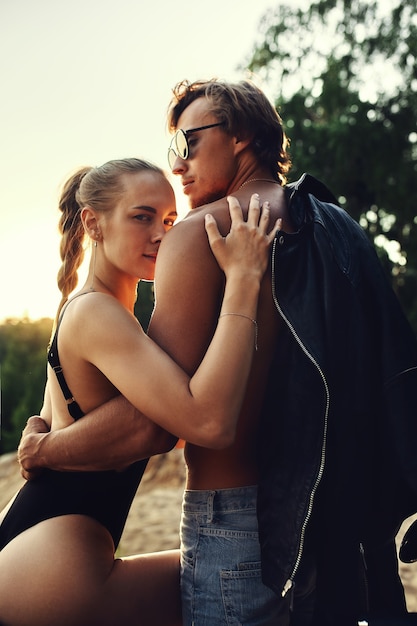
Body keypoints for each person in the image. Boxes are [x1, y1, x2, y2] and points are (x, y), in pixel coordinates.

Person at [18, 81, 417, 625]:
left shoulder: (201, 234)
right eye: (171, 150)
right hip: (327, 520)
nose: (178, 164)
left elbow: (157, 423)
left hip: (232, 517)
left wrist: (43, 452)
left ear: (242, 137)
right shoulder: (334, 226)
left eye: (189, 142)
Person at [0, 156, 280, 626]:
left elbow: (50, 423)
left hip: (32, 560)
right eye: (141, 216)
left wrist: (43, 446)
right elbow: (204, 421)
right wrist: (244, 278)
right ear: (93, 222)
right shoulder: (98, 314)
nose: (161, 234)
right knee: (244, 576)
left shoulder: (88, 309)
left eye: (169, 220)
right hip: (57, 571)